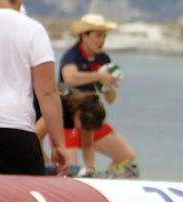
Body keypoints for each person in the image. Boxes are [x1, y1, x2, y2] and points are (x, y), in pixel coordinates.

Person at [0, 0, 66, 175]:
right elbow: (47, 92)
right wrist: (59, 144)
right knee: (20, 199)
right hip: (16, 131)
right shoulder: (33, 30)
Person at [60, 13, 139, 177]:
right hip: (68, 120)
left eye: (104, 36)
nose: (101, 40)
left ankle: (104, 177)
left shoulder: (104, 59)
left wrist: (108, 85)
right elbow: (70, 77)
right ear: (84, 36)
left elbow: (110, 100)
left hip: (91, 118)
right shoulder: (73, 55)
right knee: (70, 170)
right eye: (97, 35)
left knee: (127, 157)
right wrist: (98, 76)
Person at [36, 90, 105, 175]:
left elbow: (87, 144)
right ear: (78, 114)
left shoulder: (87, 107)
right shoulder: (59, 109)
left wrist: (90, 168)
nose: (85, 131)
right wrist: (50, 166)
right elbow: (34, 139)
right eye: (84, 127)